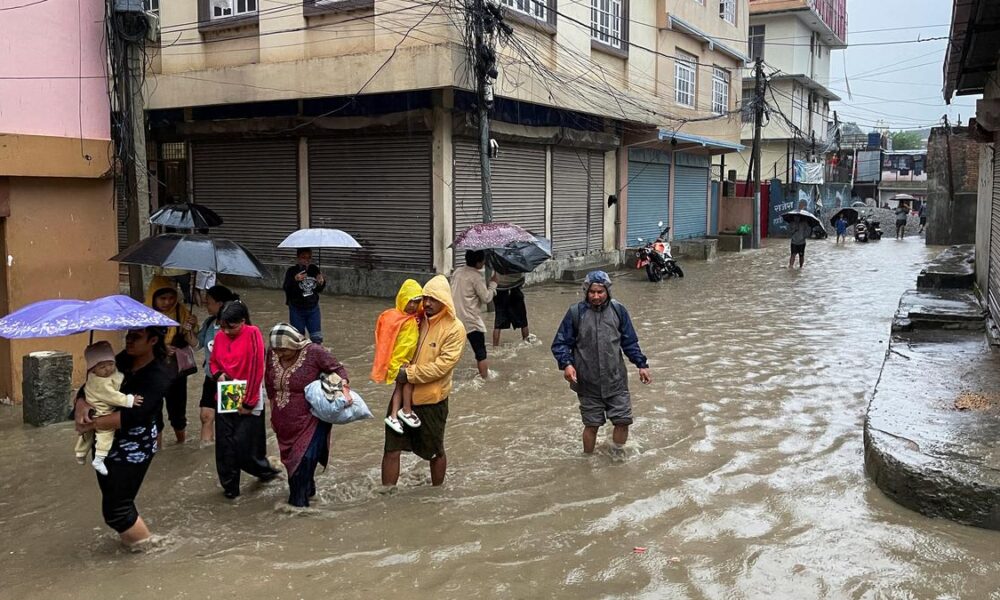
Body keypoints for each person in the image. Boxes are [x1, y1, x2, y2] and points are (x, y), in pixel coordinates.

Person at [74, 327, 173, 548]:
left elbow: (135, 415)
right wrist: (81, 403)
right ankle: (134, 546)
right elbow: (89, 387)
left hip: (135, 448)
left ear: (153, 340)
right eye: (128, 335)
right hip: (106, 442)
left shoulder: (159, 374)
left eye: (136, 337)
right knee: (113, 499)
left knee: (117, 510)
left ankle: (152, 549)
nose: (129, 341)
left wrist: (92, 424)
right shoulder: (121, 360)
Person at [551, 271, 651, 456]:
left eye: (600, 292)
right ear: (586, 292)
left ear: (607, 292)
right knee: (592, 424)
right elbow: (561, 344)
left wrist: (641, 365)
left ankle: (617, 456)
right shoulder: (575, 313)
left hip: (616, 380)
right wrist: (567, 364)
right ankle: (587, 461)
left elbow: (629, 342)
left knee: (622, 420)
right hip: (587, 381)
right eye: (592, 292)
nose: (596, 296)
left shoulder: (618, 311)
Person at [382, 275, 465, 487]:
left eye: (433, 299)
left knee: (435, 451)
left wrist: (408, 374)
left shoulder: (455, 329)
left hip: (432, 400)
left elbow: (443, 366)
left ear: (444, 300)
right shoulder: (414, 319)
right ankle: (386, 495)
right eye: (425, 298)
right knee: (391, 449)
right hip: (401, 400)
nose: (427, 303)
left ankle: (437, 493)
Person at [265, 324, 352, 508]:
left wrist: (344, 390)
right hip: (284, 423)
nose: (279, 354)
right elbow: (270, 385)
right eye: (276, 350)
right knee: (292, 466)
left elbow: (338, 370)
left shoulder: (314, 352)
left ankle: (297, 509)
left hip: (311, 420)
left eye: (283, 350)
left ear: (294, 344)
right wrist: (273, 413)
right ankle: (308, 494)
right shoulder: (272, 354)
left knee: (302, 464)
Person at [209, 301, 280, 499]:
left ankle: (264, 470)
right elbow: (213, 362)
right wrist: (218, 374)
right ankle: (230, 489)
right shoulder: (220, 337)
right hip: (225, 395)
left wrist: (249, 402)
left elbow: (257, 369)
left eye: (231, 326)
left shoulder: (253, 333)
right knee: (225, 446)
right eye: (222, 326)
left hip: (249, 397)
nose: (226, 331)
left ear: (242, 321)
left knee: (244, 446)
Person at [75, 342, 143, 476]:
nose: (108, 369)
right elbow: (113, 397)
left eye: (111, 364)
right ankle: (99, 459)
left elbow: (117, 377)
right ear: (92, 369)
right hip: (101, 412)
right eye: (102, 367)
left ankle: (80, 453)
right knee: (105, 434)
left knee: (87, 435)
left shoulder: (100, 375)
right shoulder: (100, 382)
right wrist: (130, 400)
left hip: (91, 410)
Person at [146, 276, 199, 444]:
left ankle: (180, 444)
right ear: (153, 297)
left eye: (171, 298)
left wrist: (191, 325)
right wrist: (161, 348)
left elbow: (193, 340)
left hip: (176, 370)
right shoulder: (143, 315)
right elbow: (137, 343)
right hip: (152, 370)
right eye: (163, 298)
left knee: (177, 409)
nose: (168, 302)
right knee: (153, 410)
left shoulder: (181, 311)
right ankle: (157, 447)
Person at [371, 279, 424, 434]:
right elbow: (387, 341)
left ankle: (394, 416)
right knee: (407, 383)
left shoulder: (414, 318)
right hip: (399, 362)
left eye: (417, 302)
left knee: (399, 388)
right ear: (402, 299)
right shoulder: (395, 317)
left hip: (404, 361)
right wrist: (399, 362)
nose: (413, 306)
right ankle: (405, 411)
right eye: (410, 301)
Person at [196, 285, 239, 444]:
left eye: (209, 302)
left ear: (220, 304)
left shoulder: (236, 325)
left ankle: (229, 453)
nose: (206, 305)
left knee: (229, 421)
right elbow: (196, 345)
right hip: (210, 378)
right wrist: (188, 330)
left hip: (230, 381)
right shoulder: (209, 323)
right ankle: (204, 452)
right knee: (206, 416)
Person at [451, 250, 497, 379]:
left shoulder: (457, 272)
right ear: (478, 262)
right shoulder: (476, 277)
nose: (484, 263)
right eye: (483, 260)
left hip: (454, 318)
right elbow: (486, 298)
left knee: (450, 352)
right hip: (471, 321)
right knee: (480, 353)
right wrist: (493, 284)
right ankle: (485, 379)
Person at [283, 248, 326, 344]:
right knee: (298, 340)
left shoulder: (314, 269)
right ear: (298, 258)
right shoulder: (291, 271)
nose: (306, 260)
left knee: (317, 339)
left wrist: (321, 282)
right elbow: (286, 288)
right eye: (303, 257)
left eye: (309, 257)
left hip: (313, 309)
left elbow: (319, 290)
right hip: (296, 309)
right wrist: (295, 279)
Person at [493, 272, 533, 347]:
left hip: (500, 290)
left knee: (498, 323)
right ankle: (527, 344)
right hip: (515, 291)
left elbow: (494, 278)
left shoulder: (499, 261)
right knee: (523, 322)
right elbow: (522, 281)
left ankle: (495, 348)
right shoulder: (518, 263)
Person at [788, 201, 812, 269]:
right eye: (795, 217)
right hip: (794, 241)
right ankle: (790, 266)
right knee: (793, 254)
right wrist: (794, 230)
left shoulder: (805, 222)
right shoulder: (792, 223)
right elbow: (789, 232)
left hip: (802, 242)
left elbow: (808, 230)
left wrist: (804, 236)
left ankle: (801, 267)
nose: (796, 218)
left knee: (801, 255)